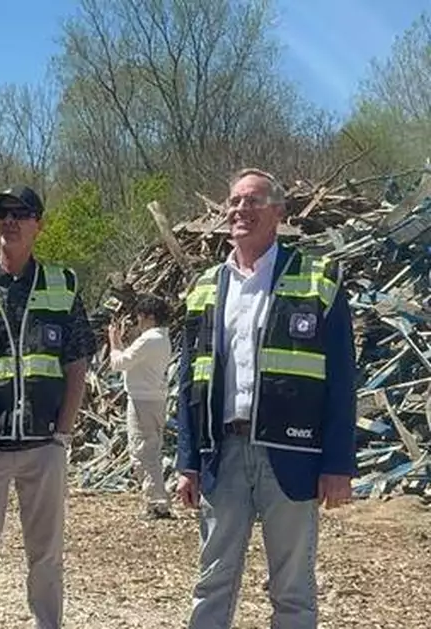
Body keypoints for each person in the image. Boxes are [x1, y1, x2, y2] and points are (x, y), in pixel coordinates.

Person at [174, 168, 357, 629]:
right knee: (212, 580)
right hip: (224, 452)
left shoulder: (317, 281)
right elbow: (189, 383)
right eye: (234, 202)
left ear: (278, 212)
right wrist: (187, 460)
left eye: (253, 201)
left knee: (292, 588)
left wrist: (337, 465)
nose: (240, 210)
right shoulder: (204, 288)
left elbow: (340, 380)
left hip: (291, 455)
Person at [0, 185, 96, 629]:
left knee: (47, 558)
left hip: (44, 445)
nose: (10, 221)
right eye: (2, 213)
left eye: (21, 213)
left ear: (39, 223)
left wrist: (64, 434)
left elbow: (77, 360)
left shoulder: (61, 284)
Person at [107, 293, 174, 519]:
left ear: (150, 317)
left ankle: (156, 502)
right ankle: (157, 499)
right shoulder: (163, 339)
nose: (138, 322)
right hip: (155, 399)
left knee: (142, 452)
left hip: (141, 400)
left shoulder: (149, 339)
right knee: (152, 450)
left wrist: (113, 341)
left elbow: (119, 363)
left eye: (140, 317)